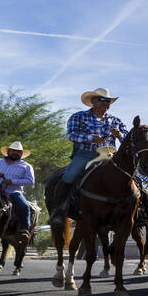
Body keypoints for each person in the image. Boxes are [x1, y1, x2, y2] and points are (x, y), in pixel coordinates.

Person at [49, 88, 127, 227]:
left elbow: (127, 138)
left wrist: (119, 135)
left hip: (110, 155)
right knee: (68, 176)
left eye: (108, 101)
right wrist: (90, 138)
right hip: (86, 154)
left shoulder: (116, 120)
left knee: (131, 176)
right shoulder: (78, 116)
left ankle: (139, 210)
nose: (106, 103)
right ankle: (58, 211)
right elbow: (71, 135)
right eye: (102, 100)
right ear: (93, 101)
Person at [0, 141, 36, 245]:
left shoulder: (26, 166)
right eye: (13, 151)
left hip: (13, 191)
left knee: (24, 206)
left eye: (18, 152)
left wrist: (12, 181)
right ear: (8, 151)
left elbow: (30, 181)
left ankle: (24, 230)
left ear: (21, 154)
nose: (15, 153)